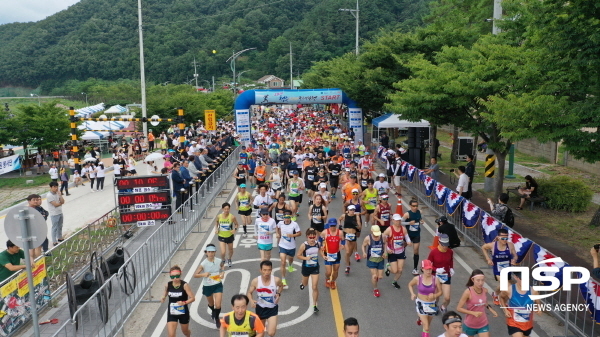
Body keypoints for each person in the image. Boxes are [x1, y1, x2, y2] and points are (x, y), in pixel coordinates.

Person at [499, 271, 542, 337]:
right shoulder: (509, 289)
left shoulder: (533, 291)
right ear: (516, 277)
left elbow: (538, 302)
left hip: (527, 324)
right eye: (522, 279)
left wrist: (539, 309)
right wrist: (505, 310)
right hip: (513, 323)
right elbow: (501, 297)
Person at [456, 269, 498, 337]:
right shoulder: (468, 292)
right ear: (472, 280)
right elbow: (459, 308)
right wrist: (473, 313)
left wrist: (491, 309)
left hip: (483, 323)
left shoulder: (485, 290)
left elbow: (484, 302)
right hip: (470, 324)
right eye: (478, 280)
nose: (480, 283)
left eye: (482, 280)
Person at [480, 228, 517, 305]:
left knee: (502, 286)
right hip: (498, 270)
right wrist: (488, 259)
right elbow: (483, 247)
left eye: (506, 238)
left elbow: (515, 256)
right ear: (498, 237)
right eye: (502, 238)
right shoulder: (493, 245)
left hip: (507, 270)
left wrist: (514, 260)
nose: (504, 240)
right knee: (508, 287)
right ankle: (506, 303)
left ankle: (495, 294)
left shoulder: (510, 245)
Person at [247, 261, 283, 337]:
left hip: (272, 308)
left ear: (271, 270)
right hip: (260, 308)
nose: (267, 272)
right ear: (260, 270)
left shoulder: (276, 280)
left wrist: (278, 294)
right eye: (264, 270)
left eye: (269, 270)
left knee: (271, 333)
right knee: (261, 332)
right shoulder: (256, 281)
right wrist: (251, 300)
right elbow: (249, 292)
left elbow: (281, 286)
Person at [408, 260, 443, 337]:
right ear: (422, 269)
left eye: (430, 269)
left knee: (427, 324)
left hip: (432, 304)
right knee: (426, 327)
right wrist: (412, 294)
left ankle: (420, 318)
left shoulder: (435, 279)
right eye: (427, 269)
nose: (429, 271)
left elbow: (441, 292)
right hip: (421, 303)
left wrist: (434, 295)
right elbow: (410, 285)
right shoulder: (417, 279)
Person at [194, 244, 225, 328]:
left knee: (218, 305)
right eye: (209, 252)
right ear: (206, 252)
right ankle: (213, 312)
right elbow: (195, 275)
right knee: (211, 304)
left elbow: (222, 267)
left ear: (215, 252)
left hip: (217, 284)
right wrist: (203, 274)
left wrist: (222, 273)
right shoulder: (203, 263)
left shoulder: (219, 261)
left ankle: (216, 318)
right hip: (207, 286)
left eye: (212, 252)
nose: (211, 253)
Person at [161, 265, 195, 337]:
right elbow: (166, 291)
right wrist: (163, 297)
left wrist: (184, 302)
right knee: (171, 335)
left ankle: (188, 335)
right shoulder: (168, 285)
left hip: (183, 312)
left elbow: (192, 298)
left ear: (180, 274)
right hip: (172, 313)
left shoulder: (185, 285)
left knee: (185, 332)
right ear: (170, 276)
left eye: (177, 276)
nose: (175, 278)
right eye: (172, 277)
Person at [383, 213, 412, 289]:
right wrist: (387, 250)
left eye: (399, 221)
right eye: (396, 221)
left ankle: (394, 281)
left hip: (401, 252)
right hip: (392, 252)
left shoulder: (403, 229)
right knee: (395, 271)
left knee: (400, 270)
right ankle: (388, 267)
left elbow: (407, 237)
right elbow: (383, 237)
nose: (398, 222)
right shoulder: (390, 229)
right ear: (393, 221)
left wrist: (408, 242)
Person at [427, 234, 454, 313]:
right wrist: (436, 269)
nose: (445, 247)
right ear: (439, 242)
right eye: (443, 245)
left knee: (447, 298)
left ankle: (443, 307)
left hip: (446, 275)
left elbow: (451, 260)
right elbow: (428, 264)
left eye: (446, 245)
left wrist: (451, 268)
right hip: (436, 276)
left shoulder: (450, 251)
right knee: (436, 294)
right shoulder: (433, 252)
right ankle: (434, 305)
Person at [297, 228, 321, 313]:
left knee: (314, 286)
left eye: (313, 237)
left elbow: (320, 251)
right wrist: (306, 258)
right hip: (306, 267)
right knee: (305, 284)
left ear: (316, 237)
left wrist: (324, 256)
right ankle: (302, 282)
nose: (312, 239)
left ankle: (314, 305)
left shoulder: (318, 244)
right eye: (310, 237)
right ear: (307, 237)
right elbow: (298, 255)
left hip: (315, 267)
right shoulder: (304, 245)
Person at [276, 210, 301, 288]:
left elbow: (300, 233)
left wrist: (292, 235)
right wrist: (277, 233)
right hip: (282, 245)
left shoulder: (294, 224)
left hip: (291, 246)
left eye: (288, 217)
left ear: (290, 217)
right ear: (283, 217)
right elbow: (277, 227)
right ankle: (283, 279)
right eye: (285, 217)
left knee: (291, 259)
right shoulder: (280, 223)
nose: (286, 219)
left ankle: (290, 265)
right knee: (283, 262)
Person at [362, 225, 385, 297]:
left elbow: (386, 244)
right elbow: (363, 245)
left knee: (380, 276)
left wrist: (385, 252)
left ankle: (386, 269)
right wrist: (364, 252)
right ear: (371, 231)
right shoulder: (368, 238)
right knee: (374, 276)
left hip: (380, 259)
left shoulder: (383, 236)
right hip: (371, 260)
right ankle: (375, 289)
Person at [321, 218, 345, 289]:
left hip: (336, 254)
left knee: (336, 270)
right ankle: (327, 279)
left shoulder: (340, 232)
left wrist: (343, 245)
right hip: (327, 254)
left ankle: (333, 281)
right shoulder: (325, 232)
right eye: (331, 226)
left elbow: (343, 240)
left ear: (336, 225)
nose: (332, 227)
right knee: (329, 272)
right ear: (329, 225)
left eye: (334, 225)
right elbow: (320, 238)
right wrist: (322, 245)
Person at [402, 199, 424, 275]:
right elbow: (400, 222)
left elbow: (420, 218)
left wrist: (421, 221)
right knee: (403, 246)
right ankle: (400, 256)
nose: (415, 207)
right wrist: (409, 223)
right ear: (410, 206)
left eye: (416, 206)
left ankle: (415, 268)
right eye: (413, 206)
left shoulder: (420, 212)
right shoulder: (407, 214)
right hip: (408, 234)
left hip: (416, 234)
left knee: (416, 251)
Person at [339, 205, 361, 273]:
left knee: (350, 252)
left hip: (353, 235)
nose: (352, 211)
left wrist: (356, 225)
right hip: (346, 235)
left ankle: (347, 259)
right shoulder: (344, 216)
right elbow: (339, 219)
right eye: (351, 210)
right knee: (347, 251)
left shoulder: (356, 216)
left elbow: (359, 227)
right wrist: (340, 225)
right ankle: (347, 266)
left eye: (353, 210)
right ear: (348, 210)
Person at [216, 202, 239, 267]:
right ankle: (223, 259)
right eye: (225, 209)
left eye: (228, 209)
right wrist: (216, 229)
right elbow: (217, 222)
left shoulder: (232, 217)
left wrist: (235, 229)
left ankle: (229, 259)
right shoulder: (219, 216)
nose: (226, 210)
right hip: (221, 236)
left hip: (229, 236)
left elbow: (237, 224)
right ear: (222, 209)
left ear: (229, 209)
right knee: (223, 252)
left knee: (231, 250)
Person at [47, 182, 65, 247]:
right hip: (54, 214)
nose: (56, 188)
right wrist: (60, 203)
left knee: (60, 226)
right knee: (54, 227)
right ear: (51, 187)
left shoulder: (57, 193)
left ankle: (60, 237)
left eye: (56, 186)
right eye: (54, 187)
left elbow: (63, 201)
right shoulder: (49, 195)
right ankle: (54, 241)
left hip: (60, 212)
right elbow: (55, 204)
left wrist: (60, 195)